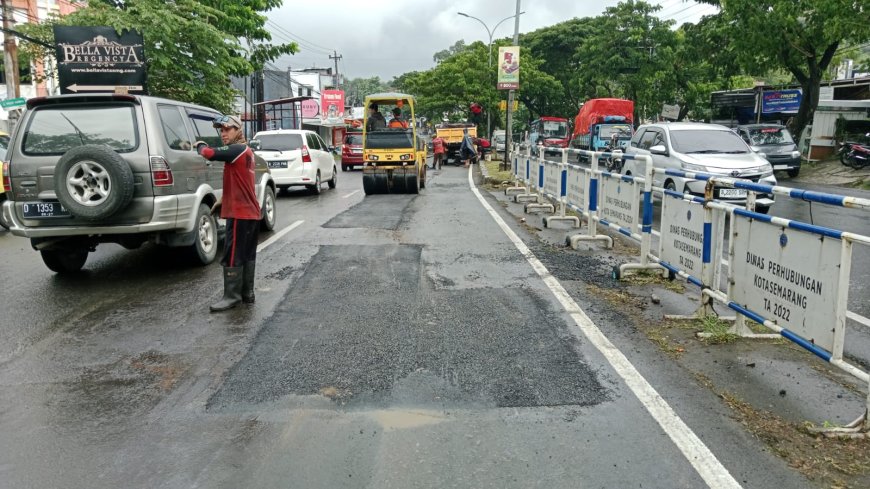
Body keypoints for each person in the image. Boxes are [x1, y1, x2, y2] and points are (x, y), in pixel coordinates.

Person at [195, 115, 261, 313]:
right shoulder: (246, 151)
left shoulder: (236, 149)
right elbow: (240, 183)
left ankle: (231, 297)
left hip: (240, 215)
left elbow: (208, 153)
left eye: (227, 129)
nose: (223, 134)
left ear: (238, 130)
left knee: (233, 255)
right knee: (247, 254)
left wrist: (200, 145)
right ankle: (247, 293)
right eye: (221, 130)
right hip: (251, 213)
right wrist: (223, 201)